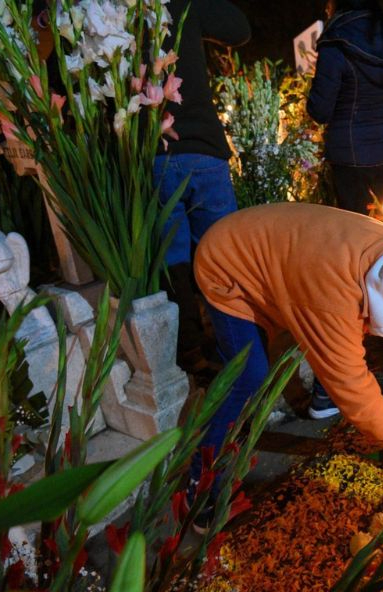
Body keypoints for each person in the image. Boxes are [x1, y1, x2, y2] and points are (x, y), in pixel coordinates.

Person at [194, 203, 383, 471]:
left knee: (325, 338)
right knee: (249, 376)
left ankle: (322, 400)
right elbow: (347, 378)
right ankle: (203, 482)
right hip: (227, 262)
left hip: (277, 241)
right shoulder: (332, 300)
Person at [154, 0, 251, 379]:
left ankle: (192, 355)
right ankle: (242, 356)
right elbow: (238, 28)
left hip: (154, 155)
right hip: (202, 150)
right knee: (224, 259)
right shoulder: (180, 3)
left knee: (173, 262)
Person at [306, 0, 383, 215]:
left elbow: (320, 111)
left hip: (349, 153)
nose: (325, 8)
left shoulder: (337, 41)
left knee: (354, 234)